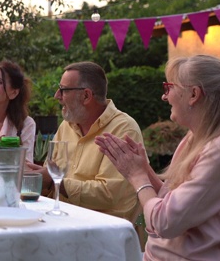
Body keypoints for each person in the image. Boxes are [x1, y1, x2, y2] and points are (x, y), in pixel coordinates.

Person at [95, 55, 220, 260]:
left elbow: (165, 222)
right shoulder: (195, 138)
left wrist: (138, 177)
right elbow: (168, 201)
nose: (164, 96)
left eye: (169, 87)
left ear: (193, 94)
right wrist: (145, 171)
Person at [26, 61, 143, 222]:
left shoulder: (123, 129)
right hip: (63, 221)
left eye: (63, 90)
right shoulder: (66, 126)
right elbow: (51, 176)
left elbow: (109, 194)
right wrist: (37, 177)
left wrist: (55, 182)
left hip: (104, 230)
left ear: (86, 96)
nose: (57, 96)